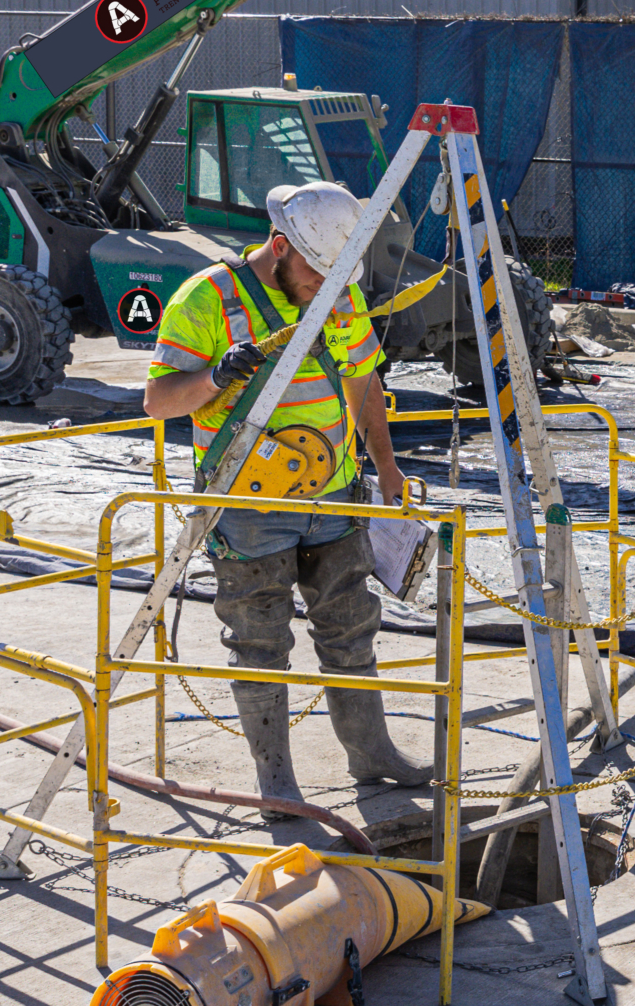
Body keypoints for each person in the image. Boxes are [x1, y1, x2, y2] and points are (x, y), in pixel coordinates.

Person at [143, 180, 429, 808]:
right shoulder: (206, 300)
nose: (326, 286)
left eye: (336, 274)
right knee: (259, 637)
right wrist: (217, 376)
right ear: (279, 246)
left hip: (332, 497)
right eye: (315, 271)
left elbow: (362, 384)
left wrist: (385, 468)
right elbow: (160, 400)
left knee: (351, 625)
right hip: (247, 508)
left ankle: (370, 752)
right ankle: (275, 775)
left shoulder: (341, 296)